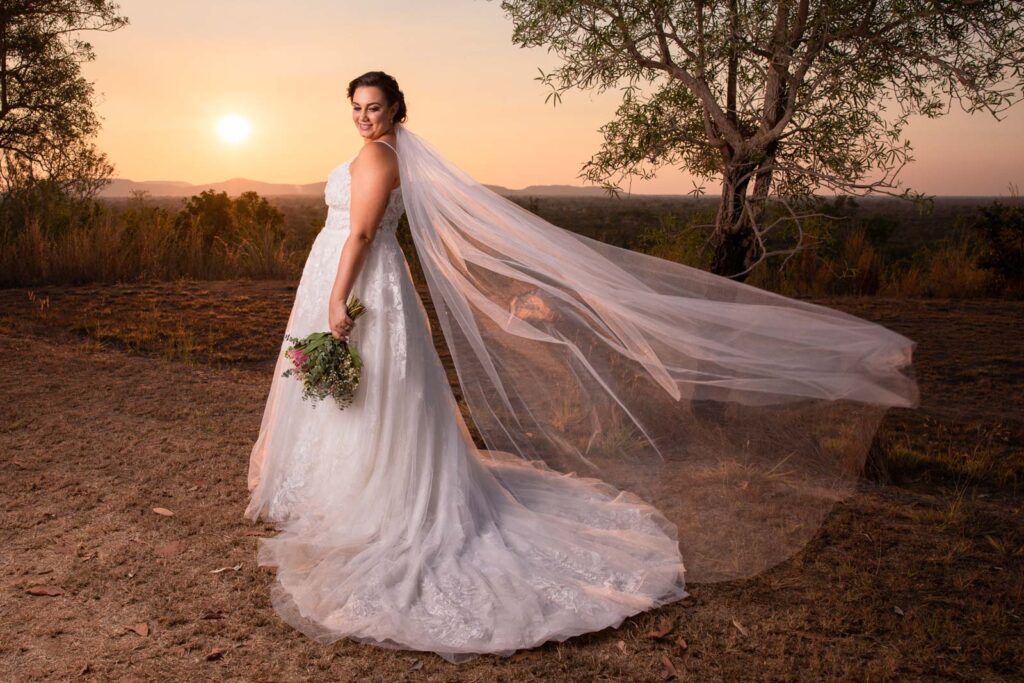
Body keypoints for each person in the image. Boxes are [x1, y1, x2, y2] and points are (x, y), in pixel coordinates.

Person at [245, 71, 919, 663]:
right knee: (369, 394)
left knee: (374, 391)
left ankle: (370, 496)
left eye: (374, 106)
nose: (364, 116)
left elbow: (361, 233)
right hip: (356, 275)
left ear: (396, 109)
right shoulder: (383, 155)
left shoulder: (378, 162)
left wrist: (337, 297)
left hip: (357, 279)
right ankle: (346, 482)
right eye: (356, 108)